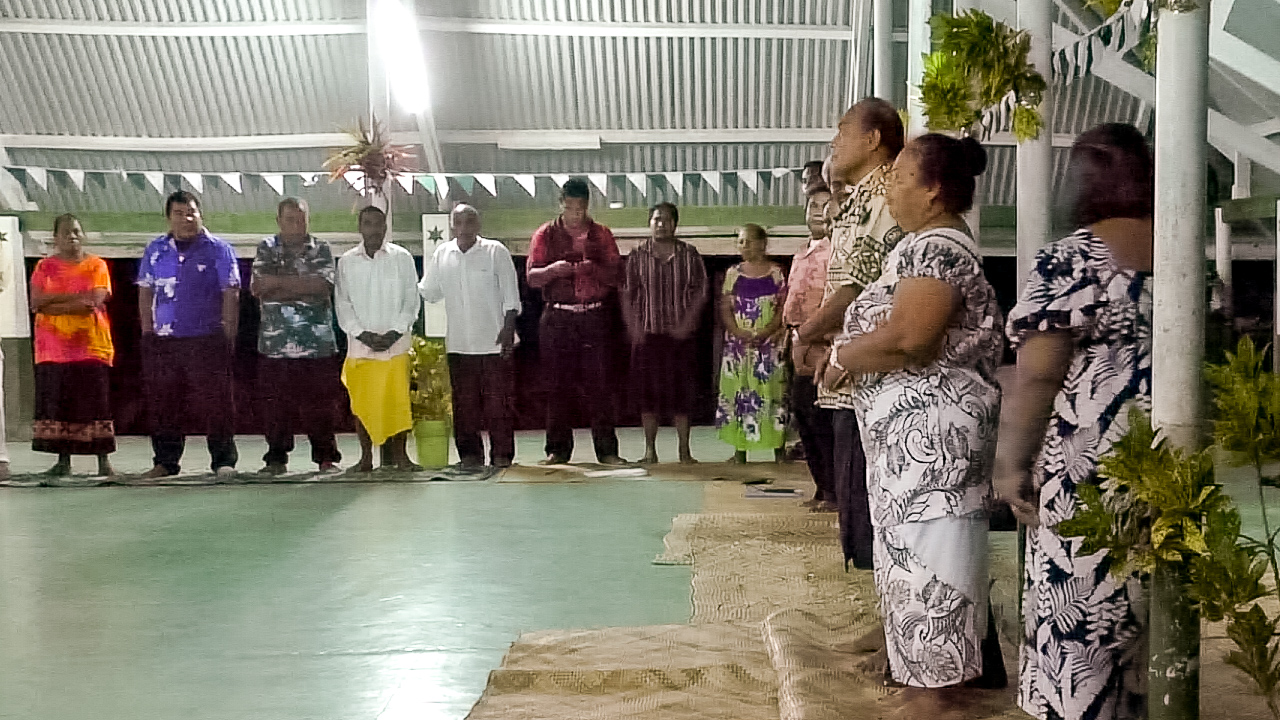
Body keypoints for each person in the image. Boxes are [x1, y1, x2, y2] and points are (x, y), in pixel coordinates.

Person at [823, 133, 1003, 714]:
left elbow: (911, 338)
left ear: (933, 191)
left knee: (933, 561)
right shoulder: (923, 245)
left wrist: (844, 357)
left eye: (900, 178)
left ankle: (935, 692)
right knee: (911, 557)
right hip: (914, 442)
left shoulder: (939, 249)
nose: (890, 189)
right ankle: (919, 674)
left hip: (933, 441)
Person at [998, 123, 1154, 720]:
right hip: (1167, 460)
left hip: (1090, 467)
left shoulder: (1072, 257)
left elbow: (1039, 375)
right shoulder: (1183, 252)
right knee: (1146, 616)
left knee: (1081, 622)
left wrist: (1012, 463)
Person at [800, 97, 904, 569]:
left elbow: (856, 288)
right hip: (848, 363)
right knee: (853, 491)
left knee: (866, 498)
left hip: (868, 370)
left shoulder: (886, 196)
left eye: (843, 131)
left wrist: (806, 334)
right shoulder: (859, 198)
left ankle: (879, 590)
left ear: (873, 139)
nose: (834, 141)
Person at [137, 191, 240, 478]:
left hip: (207, 337)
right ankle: (165, 462)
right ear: (169, 218)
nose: (187, 219)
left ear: (200, 214)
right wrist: (147, 332)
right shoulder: (155, 249)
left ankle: (223, 462)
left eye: (192, 212)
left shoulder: (219, 249)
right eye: (179, 214)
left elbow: (231, 293)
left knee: (217, 403)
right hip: (164, 340)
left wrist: (228, 334)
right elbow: (145, 291)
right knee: (164, 403)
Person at [527, 178, 626, 466]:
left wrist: (593, 269)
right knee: (557, 386)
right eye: (570, 208)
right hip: (558, 316)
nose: (575, 214)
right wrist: (554, 270)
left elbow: (617, 275)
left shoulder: (601, 234)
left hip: (594, 314)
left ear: (587, 206)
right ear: (561, 204)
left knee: (600, 385)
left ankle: (607, 451)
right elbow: (532, 277)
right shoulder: (545, 234)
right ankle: (557, 450)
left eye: (580, 209)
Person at [419, 204, 521, 469]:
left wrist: (508, 329)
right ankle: (469, 456)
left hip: (494, 342)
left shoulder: (495, 251)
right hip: (459, 344)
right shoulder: (442, 253)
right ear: (452, 226)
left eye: (470, 221)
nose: (464, 228)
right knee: (464, 405)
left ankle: (502, 454)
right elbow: (429, 291)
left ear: (478, 224)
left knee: (498, 404)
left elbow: (511, 296)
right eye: (459, 222)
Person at [250, 198, 343, 475]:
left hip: (316, 344)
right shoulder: (266, 247)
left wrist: (278, 284)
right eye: (290, 219)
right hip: (275, 345)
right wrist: (303, 286)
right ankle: (276, 459)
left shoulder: (321, 248)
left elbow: (322, 287)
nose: (296, 224)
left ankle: (326, 458)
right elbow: (259, 287)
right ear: (279, 221)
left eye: (301, 219)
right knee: (275, 406)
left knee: (321, 405)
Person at [335, 205, 421, 473]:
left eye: (378, 224)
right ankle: (365, 458)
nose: (374, 229)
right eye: (368, 224)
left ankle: (401, 457)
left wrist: (395, 332)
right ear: (360, 228)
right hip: (361, 348)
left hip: (396, 347)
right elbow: (342, 304)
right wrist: (363, 335)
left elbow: (411, 301)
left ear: (385, 227)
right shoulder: (347, 262)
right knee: (362, 405)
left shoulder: (402, 258)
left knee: (398, 404)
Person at [621, 202, 709, 465]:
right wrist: (634, 328)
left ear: (675, 224)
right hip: (647, 336)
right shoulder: (637, 255)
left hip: (680, 338)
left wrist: (688, 324)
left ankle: (684, 451)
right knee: (647, 397)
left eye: (667, 220)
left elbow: (701, 292)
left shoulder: (689, 255)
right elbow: (626, 294)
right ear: (649, 223)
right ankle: (650, 451)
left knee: (683, 396)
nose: (661, 224)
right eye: (657, 219)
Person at [29, 214, 116, 476]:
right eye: (66, 232)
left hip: (91, 346)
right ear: (55, 238)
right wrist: (75, 298)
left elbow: (93, 301)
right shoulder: (44, 267)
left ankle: (103, 462)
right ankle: (63, 462)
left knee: (95, 405)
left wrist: (53, 301)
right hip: (53, 349)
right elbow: (36, 302)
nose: (72, 236)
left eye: (77, 231)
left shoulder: (97, 265)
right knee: (60, 406)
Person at [716, 224, 787, 463]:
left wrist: (767, 331)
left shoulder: (776, 273)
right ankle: (740, 450)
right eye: (740, 242)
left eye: (748, 241)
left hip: (769, 346)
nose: (743, 246)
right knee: (740, 393)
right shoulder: (733, 274)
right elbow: (725, 308)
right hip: (740, 348)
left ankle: (779, 449)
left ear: (762, 244)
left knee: (773, 394)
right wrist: (737, 331)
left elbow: (783, 307)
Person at [786, 179, 835, 510]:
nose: (818, 212)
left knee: (822, 421)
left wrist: (812, 338)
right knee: (803, 416)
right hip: (797, 341)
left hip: (823, 342)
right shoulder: (801, 253)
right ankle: (821, 487)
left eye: (825, 206)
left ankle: (834, 491)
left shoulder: (837, 250)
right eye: (813, 206)